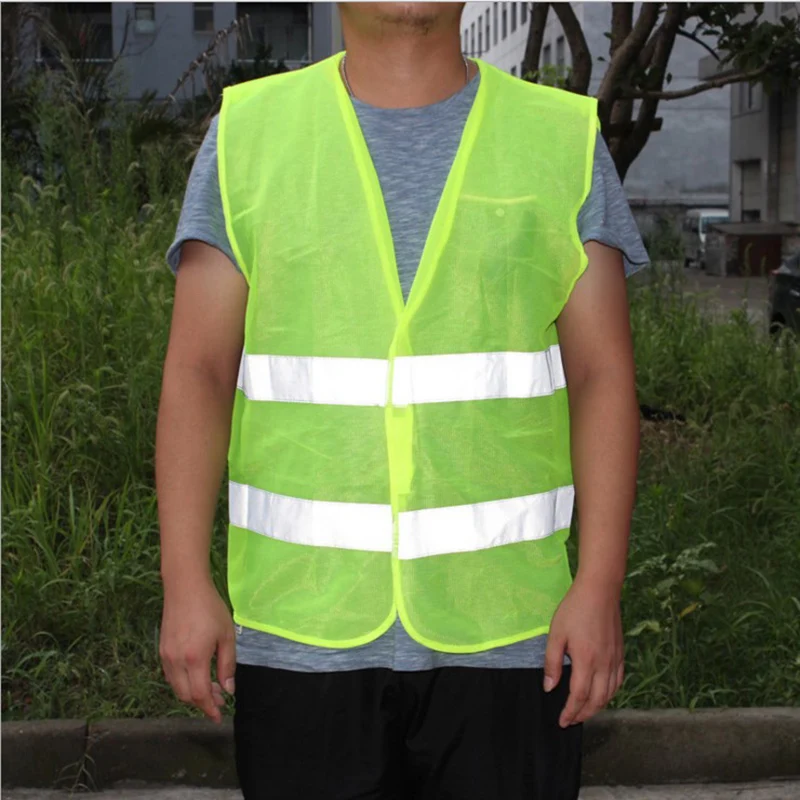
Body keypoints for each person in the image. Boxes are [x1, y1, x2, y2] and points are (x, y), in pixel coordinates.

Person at [157, 3, 648, 798]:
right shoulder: (247, 135)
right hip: (300, 631)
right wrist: (184, 581)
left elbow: (603, 375)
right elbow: (198, 372)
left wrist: (600, 584)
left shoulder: (561, 139)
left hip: (512, 634)